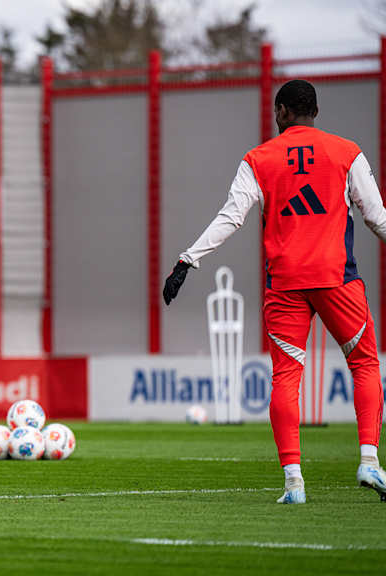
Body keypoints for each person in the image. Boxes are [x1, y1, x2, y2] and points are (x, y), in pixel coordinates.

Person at [163, 79, 386, 504]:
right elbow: (376, 218)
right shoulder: (346, 152)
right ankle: (369, 461)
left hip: (283, 284)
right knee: (363, 363)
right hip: (337, 278)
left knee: (286, 376)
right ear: (315, 112)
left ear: (283, 112)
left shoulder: (258, 158)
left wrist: (188, 259)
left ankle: (294, 484)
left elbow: (231, 218)